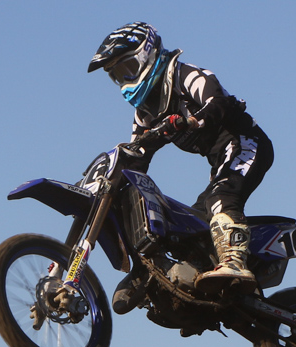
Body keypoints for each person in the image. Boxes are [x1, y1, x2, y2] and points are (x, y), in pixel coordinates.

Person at [87, 22, 274, 311]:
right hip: (220, 159)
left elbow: (218, 102)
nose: (124, 81)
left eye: (126, 69)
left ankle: (235, 262)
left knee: (221, 199)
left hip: (246, 143)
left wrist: (191, 120)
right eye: (116, 76)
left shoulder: (185, 75)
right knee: (192, 227)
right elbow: (138, 160)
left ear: (147, 54)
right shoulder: (145, 111)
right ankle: (168, 277)